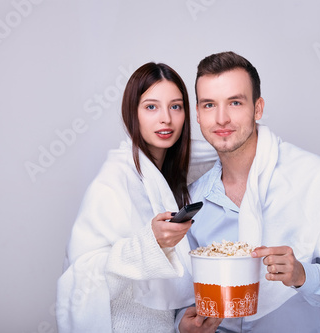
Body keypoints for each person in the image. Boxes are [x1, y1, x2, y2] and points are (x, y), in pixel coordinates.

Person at [175, 52, 320, 332]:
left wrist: (301, 274)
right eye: (210, 105)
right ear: (197, 114)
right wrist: (182, 326)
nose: (221, 119)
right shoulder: (192, 201)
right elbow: (182, 294)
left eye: (235, 102)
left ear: (258, 108)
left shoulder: (318, 180)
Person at [56, 62, 216, 333]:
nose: (165, 118)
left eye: (175, 106)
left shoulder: (164, 177)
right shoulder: (114, 180)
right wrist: (150, 242)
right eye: (151, 107)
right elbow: (81, 275)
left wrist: (180, 328)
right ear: (133, 113)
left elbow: (218, 152)